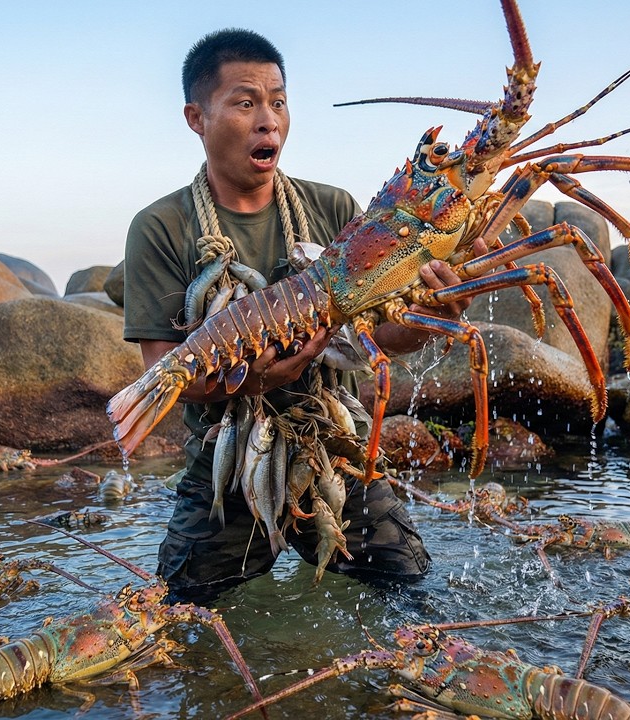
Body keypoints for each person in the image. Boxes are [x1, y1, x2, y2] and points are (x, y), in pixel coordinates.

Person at [122, 28, 471, 604]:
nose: (269, 119)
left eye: (278, 101)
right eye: (245, 101)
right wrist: (254, 380)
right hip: (226, 463)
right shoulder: (162, 226)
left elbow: (379, 335)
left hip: (337, 447)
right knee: (185, 617)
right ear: (196, 117)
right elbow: (165, 370)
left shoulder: (333, 207)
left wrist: (433, 311)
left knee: (409, 593)